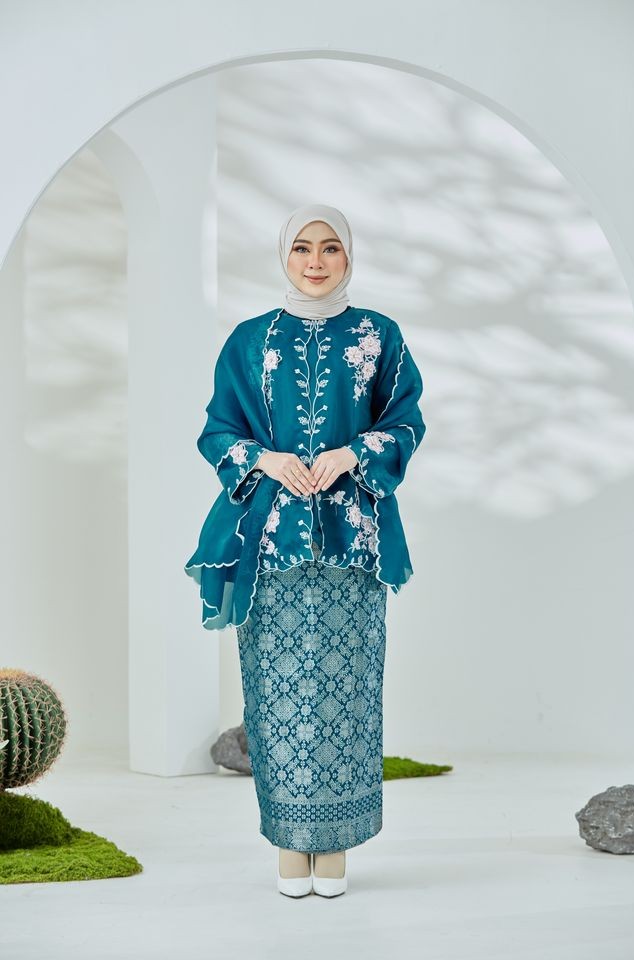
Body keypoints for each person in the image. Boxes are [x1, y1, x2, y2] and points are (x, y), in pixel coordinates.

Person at [184, 203, 426, 897]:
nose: (315, 261)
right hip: (269, 543)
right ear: (283, 255)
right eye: (301, 247)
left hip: (353, 542)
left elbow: (406, 419)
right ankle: (291, 846)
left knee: (346, 691)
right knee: (278, 691)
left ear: (348, 256)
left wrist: (356, 452)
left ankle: (336, 846)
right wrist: (263, 458)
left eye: (329, 248)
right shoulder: (249, 340)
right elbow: (217, 430)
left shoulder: (379, 335)